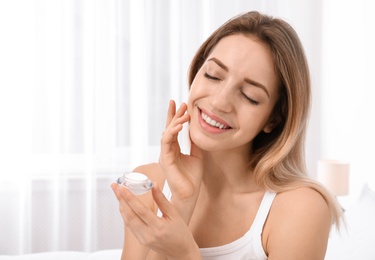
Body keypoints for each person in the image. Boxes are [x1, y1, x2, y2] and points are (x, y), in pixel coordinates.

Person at [111, 10, 343, 260]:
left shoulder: (300, 208)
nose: (220, 102)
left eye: (249, 96)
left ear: (274, 119)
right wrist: (181, 202)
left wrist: (184, 254)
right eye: (212, 75)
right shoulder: (150, 184)